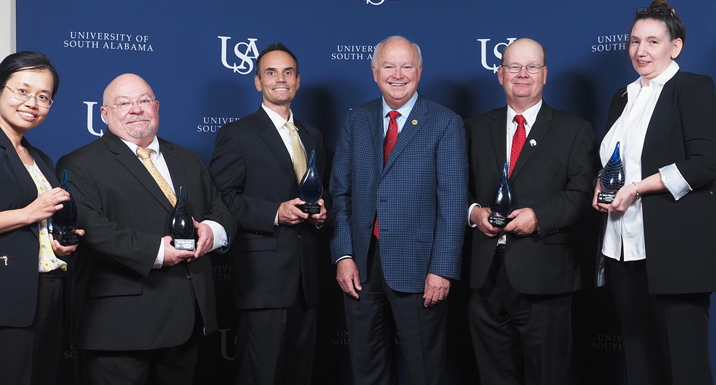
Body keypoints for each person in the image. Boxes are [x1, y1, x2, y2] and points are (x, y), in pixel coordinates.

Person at [56, 73, 236, 384]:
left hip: (187, 320)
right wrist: (157, 251)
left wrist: (212, 231)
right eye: (123, 103)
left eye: (143, 101)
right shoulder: (78, 164)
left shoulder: (188, 159)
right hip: (119, 328)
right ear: (104, 113)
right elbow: (93, 229)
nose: (136, 109)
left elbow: (220, 208)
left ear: (156, 106)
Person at [330, 35, 467, 385]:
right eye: (389, 66)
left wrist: (442, 269)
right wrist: (343, 255)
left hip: (421, 270)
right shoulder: (355, 121)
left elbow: (453, 204)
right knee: (367, 371)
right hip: (361, 267)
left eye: (406, 66)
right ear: (375, 73)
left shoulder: (445, 122)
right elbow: (340, 195)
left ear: (419, 72)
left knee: (424, 371)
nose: (398, 75)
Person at [592, 1, 716, 384]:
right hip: (623, 246)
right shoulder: (623, 96)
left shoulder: (692, 87)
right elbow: (619, 159)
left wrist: (638, 188)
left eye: (652, 41)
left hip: (675, 249)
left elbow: (705, 162)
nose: (640, 51)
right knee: (639, 356)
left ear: (674, 47)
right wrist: (603, 183)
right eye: (634, 41)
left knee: (685, 362)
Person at [465, 38, 595, 385]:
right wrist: (475, 213)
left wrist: (538, 216)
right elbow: (454, 190)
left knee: (548, 375)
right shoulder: (473, 129)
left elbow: (582, 195)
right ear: (500, 74)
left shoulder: (574, 129)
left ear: (545, 74)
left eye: (532, 67)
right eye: (513, 67)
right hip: (484, 276)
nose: (522, 74)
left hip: (545, 276)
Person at [210, 43, 327, 385]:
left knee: (299, 374)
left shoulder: (312, 136)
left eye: (288, 72)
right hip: (262, 282)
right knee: (259, 375)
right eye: (271, 73)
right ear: (258, 82)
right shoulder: (237, 134)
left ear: (298, 81)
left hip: (307, 281)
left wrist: (322, 212)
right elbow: (222, 200)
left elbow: (321, 191)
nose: (281, 79)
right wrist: (275, 212)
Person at [0, 51, 83, 385]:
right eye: (22, 90)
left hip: (45, 293)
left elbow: (35, 228)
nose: (32, 102)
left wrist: (55, 243)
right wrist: (30, 212)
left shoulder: (41, 158)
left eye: (43, 96)